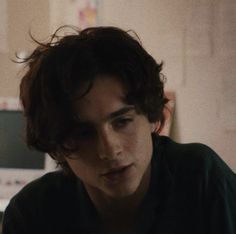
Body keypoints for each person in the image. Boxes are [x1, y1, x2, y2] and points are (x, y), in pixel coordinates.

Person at [2, 26, 236, 234]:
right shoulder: (32, 214)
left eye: (122, 121)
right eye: (84, 133)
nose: (109, 149)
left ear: (152, 116)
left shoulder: (200, 179)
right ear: (58, 145)